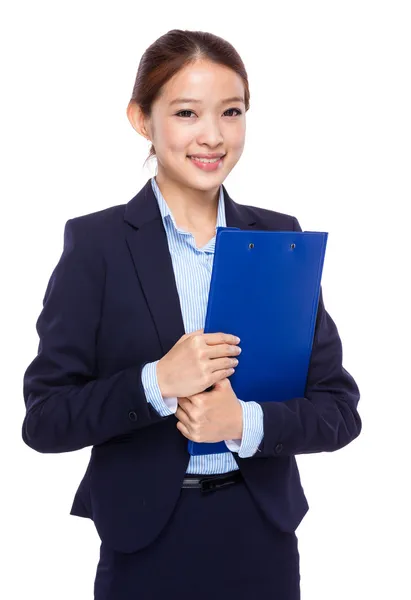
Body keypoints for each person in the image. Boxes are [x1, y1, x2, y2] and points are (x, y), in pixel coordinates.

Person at [22, 28, 362, 600]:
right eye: (186, 113)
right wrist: (156, 383)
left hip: (262, 539)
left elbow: (339, 410)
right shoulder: (98, 245)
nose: (212, 135)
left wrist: (244, 424)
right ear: (141, 119)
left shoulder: (280, 238)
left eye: (231, 112)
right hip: (144, 542)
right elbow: (46, 419)